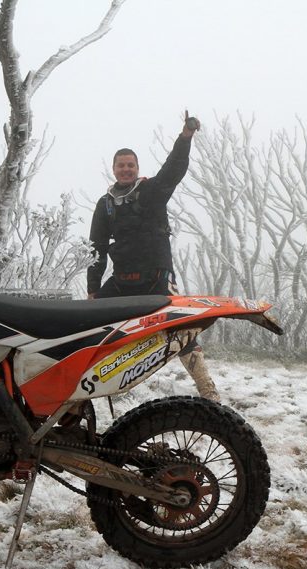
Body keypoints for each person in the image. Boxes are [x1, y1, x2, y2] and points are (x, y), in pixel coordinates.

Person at [87, 111, 220, 402]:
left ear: (137, 167)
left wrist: (185, 138)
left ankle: (208, 391)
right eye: (121, 165)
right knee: (87, 327)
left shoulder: (151, 191)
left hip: (157, 279)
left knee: (182, 329)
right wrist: (93, 289)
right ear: (113, 169)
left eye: (130, 165)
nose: (126, 170)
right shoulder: (105, 205)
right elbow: (96, 247)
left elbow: (173, 170)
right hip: (121, 282)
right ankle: (81, 394)